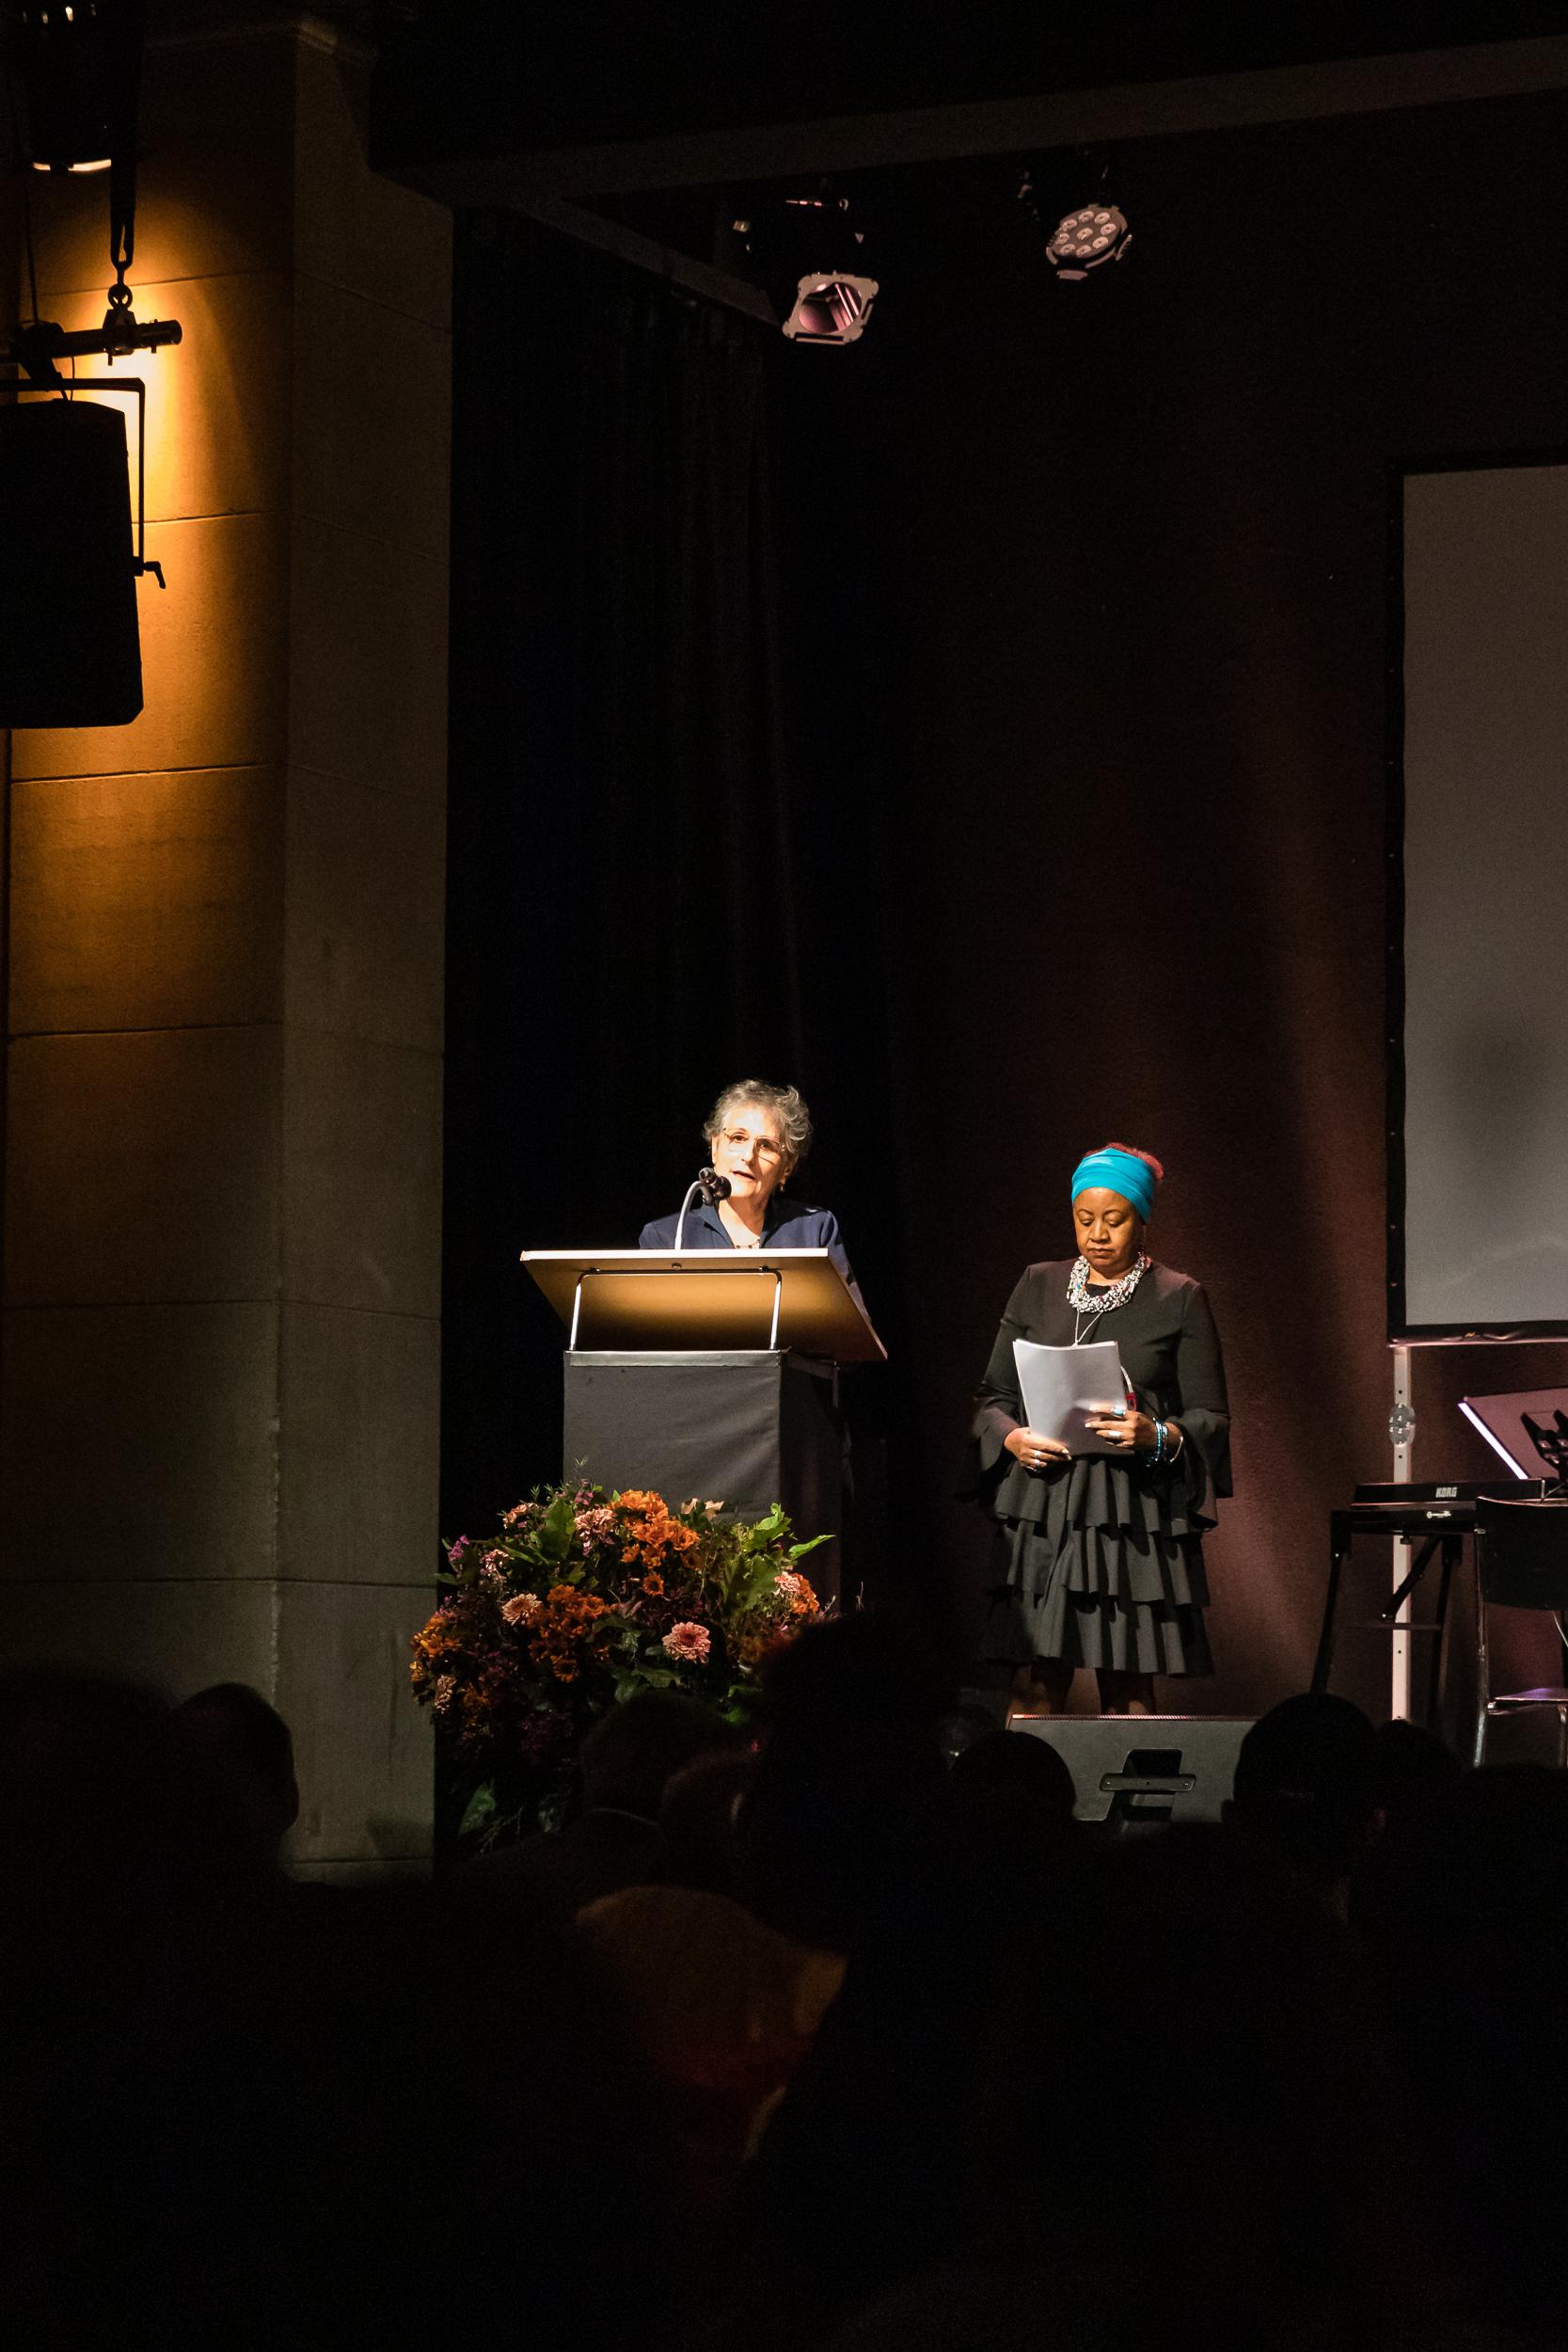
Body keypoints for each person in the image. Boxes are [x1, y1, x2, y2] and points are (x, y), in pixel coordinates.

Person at [972, 1142, 1229, 1717]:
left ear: (1142, 1220)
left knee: (1129, 1689)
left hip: (1129, 1512)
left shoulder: (1179, 1298)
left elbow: (1210, 1416)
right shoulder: (1037, 1284)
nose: (1097, 1234)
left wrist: (1155, 1435)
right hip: (1047, 1507)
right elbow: (992, 1397)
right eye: (1084, 1219)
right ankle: (1022, 1801)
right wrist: (1013, 1437)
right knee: (1035, 1683)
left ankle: (1133, 1806)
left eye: (1115, 1220)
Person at [639, 1080, 857, 1296]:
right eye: (738, 1138)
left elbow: (850, 1326)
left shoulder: (813, 1230)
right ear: (715, 1147)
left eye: (766, 1145)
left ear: (786, 1168)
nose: (748, 1156)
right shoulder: (665, 1238)